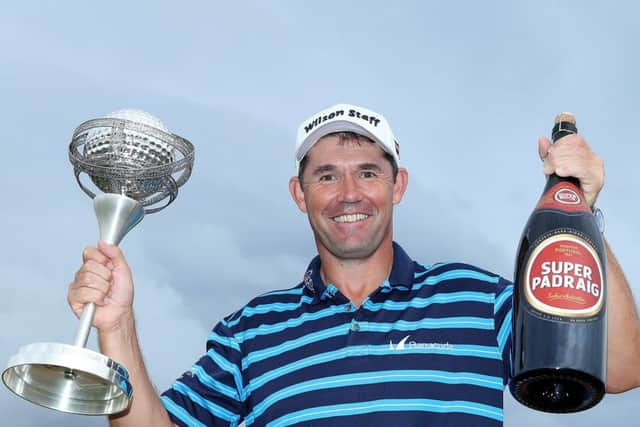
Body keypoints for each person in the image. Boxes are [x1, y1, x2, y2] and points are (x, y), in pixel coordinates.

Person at [68, 103, 640, 426]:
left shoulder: (478, 299)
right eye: (326, 175)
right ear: (299, 193)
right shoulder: (250, 332)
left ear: (398, 187)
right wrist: (116, 328)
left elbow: (618, 369)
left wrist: (584, 210)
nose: (349, 193)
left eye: (368, 172)